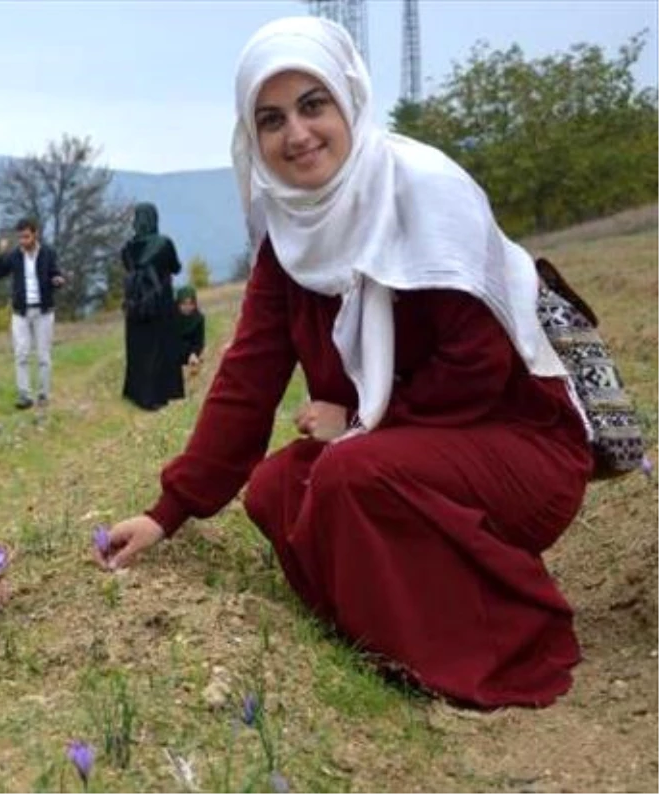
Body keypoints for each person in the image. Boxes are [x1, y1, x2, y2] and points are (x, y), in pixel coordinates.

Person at [97, 17, 592, 710]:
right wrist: (167, 511)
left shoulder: (424, 191)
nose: (296, 135)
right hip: (413, 448)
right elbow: (247, 379)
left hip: (519, 447)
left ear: (349, 100)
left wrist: (362, 421)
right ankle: (388, 628)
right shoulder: (289, 238)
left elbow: (477, 366)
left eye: (313, 104)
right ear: (253, 138)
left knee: (350, 472)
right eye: (271, 120)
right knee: (276, 487)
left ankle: (492, 641)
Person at [0, 218, 65, 409]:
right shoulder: (14, 256)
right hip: (20, 312)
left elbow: (55, 273)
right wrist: (1, 253)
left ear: (35, 234)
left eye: (26, 236)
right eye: (20, 237)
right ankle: (24, 395)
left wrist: (57, 279)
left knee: (43, 356)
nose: (23, 241)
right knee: (21, 354)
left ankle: (43, 395)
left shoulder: (48, 252)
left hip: (43, 311)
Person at [121, 203, 185, 411]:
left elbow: (128, 268)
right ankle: (158, 394)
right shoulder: (163, 243)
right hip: (160, 302)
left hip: (135, 303)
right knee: (159, 348)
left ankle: (137, 393)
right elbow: (175, 267)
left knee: (138, 348)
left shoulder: (128, 247)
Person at [174, 285, 205, 374]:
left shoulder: (199, 318)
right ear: (178, 304)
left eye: (191, 303)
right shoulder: (170, 317)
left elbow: (199, 341)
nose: (187, 307)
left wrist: (194, 353)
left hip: (189, 350)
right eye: (184, 304)